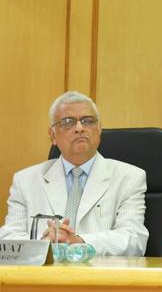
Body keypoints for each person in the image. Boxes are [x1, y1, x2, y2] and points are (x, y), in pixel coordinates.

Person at [0, 91, 148, 256]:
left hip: (101, 277)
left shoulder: (129, 178)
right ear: (52, 135)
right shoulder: (25, 181)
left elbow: (133, 240)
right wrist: (45, 244)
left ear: (99, 130)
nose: (79, 128)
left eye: (88, 121)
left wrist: (79, 241)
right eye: (68, 122)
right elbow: (8, 240)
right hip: (44, 277)